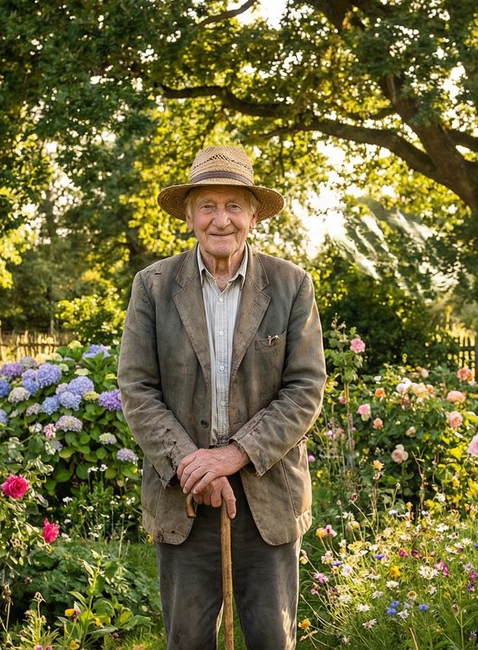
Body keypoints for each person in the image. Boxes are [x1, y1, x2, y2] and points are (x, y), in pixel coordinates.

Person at [118, 145, 326, 649]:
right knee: (188, 640)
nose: (221, 219)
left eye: (234, 205)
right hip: (184, 500)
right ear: (189, 216)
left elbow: (305, 388)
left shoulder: (291, 285)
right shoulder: (153, 286)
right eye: (207, 205)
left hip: (267, 498)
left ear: (253, 215)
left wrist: (233, 456)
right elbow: (137, 387)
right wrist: (194, 465)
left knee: (272, 639)